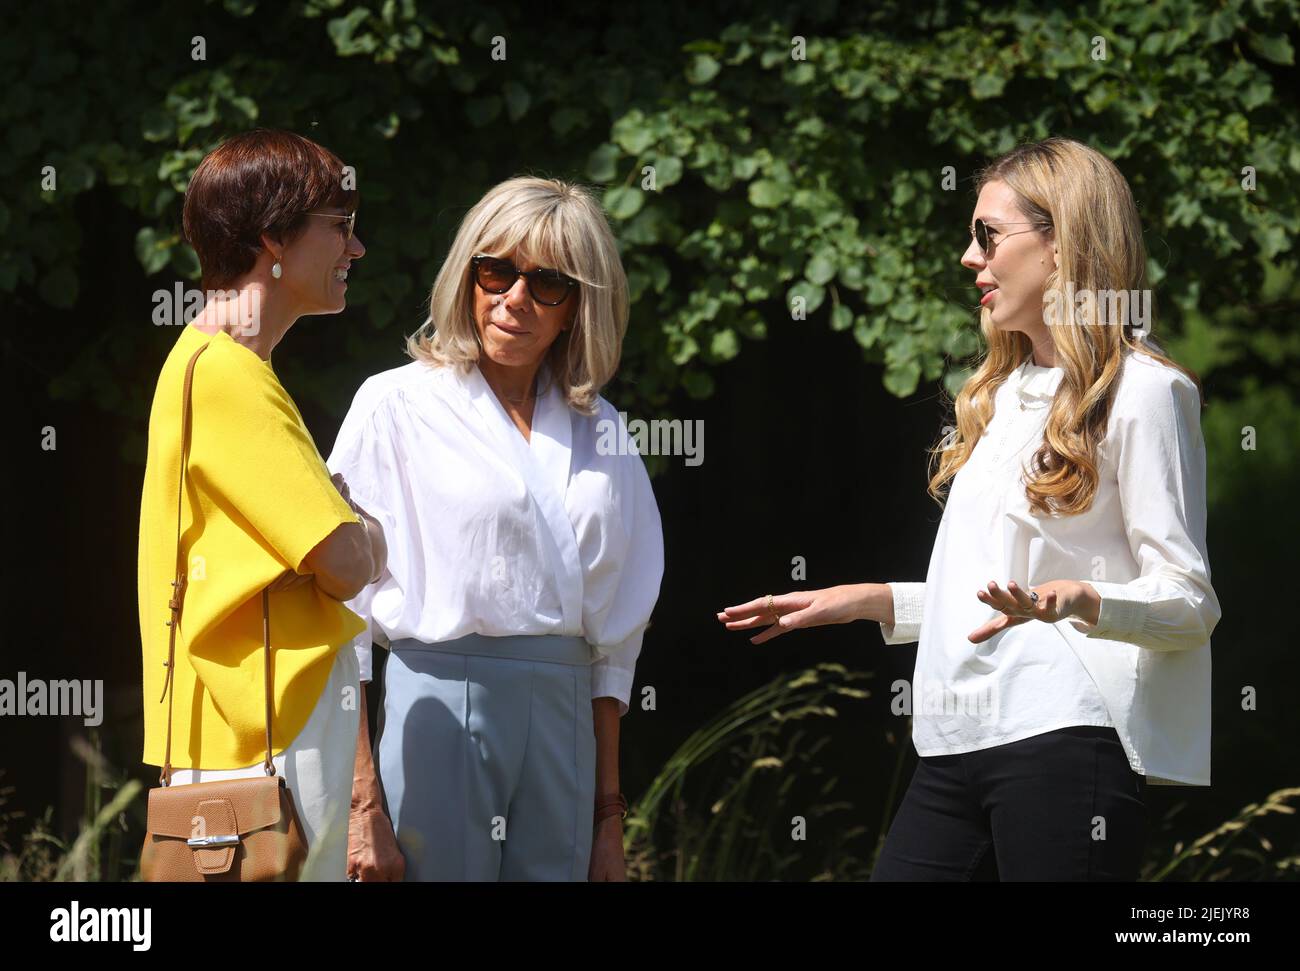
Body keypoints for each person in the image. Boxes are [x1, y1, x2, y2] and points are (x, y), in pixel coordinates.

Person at [717, 137, 1220, 881]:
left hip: (1066, 734)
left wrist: (1081, 600)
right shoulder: (1002, 395)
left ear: (1062, 244)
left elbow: (1189, 601)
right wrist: (870, 601)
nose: (968, 256)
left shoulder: (1145, 392)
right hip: (955, 739)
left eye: (988, 234)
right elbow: (1000, 594)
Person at [328, 175, 664, 881]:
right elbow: (342, 616)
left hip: (565, 716)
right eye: (496, 271)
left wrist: (610, 818)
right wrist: (363, 802)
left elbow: (614, 647)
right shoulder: (395, 404)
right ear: (467, 274)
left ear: (578, 305)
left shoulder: (600, 428)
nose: (514, 299)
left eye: (548, 283)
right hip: (440, 704)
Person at [137, 128, 401, 881]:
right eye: (340, 228)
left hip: (242, 734)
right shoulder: (232, 376)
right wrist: (367, 531)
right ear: (272, 238)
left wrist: (349, 530)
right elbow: (347, 562)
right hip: (266, 739)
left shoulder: (209, 363)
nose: (356, 250)